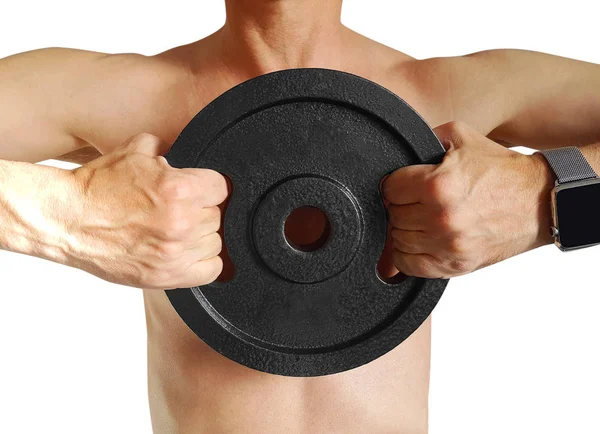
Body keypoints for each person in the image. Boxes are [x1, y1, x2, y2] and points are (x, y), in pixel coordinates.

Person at [1, 0, 599, 432]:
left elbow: (554, 192)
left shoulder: (453, 87)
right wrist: (64, 214)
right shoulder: (121, 95)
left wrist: (546, 192)